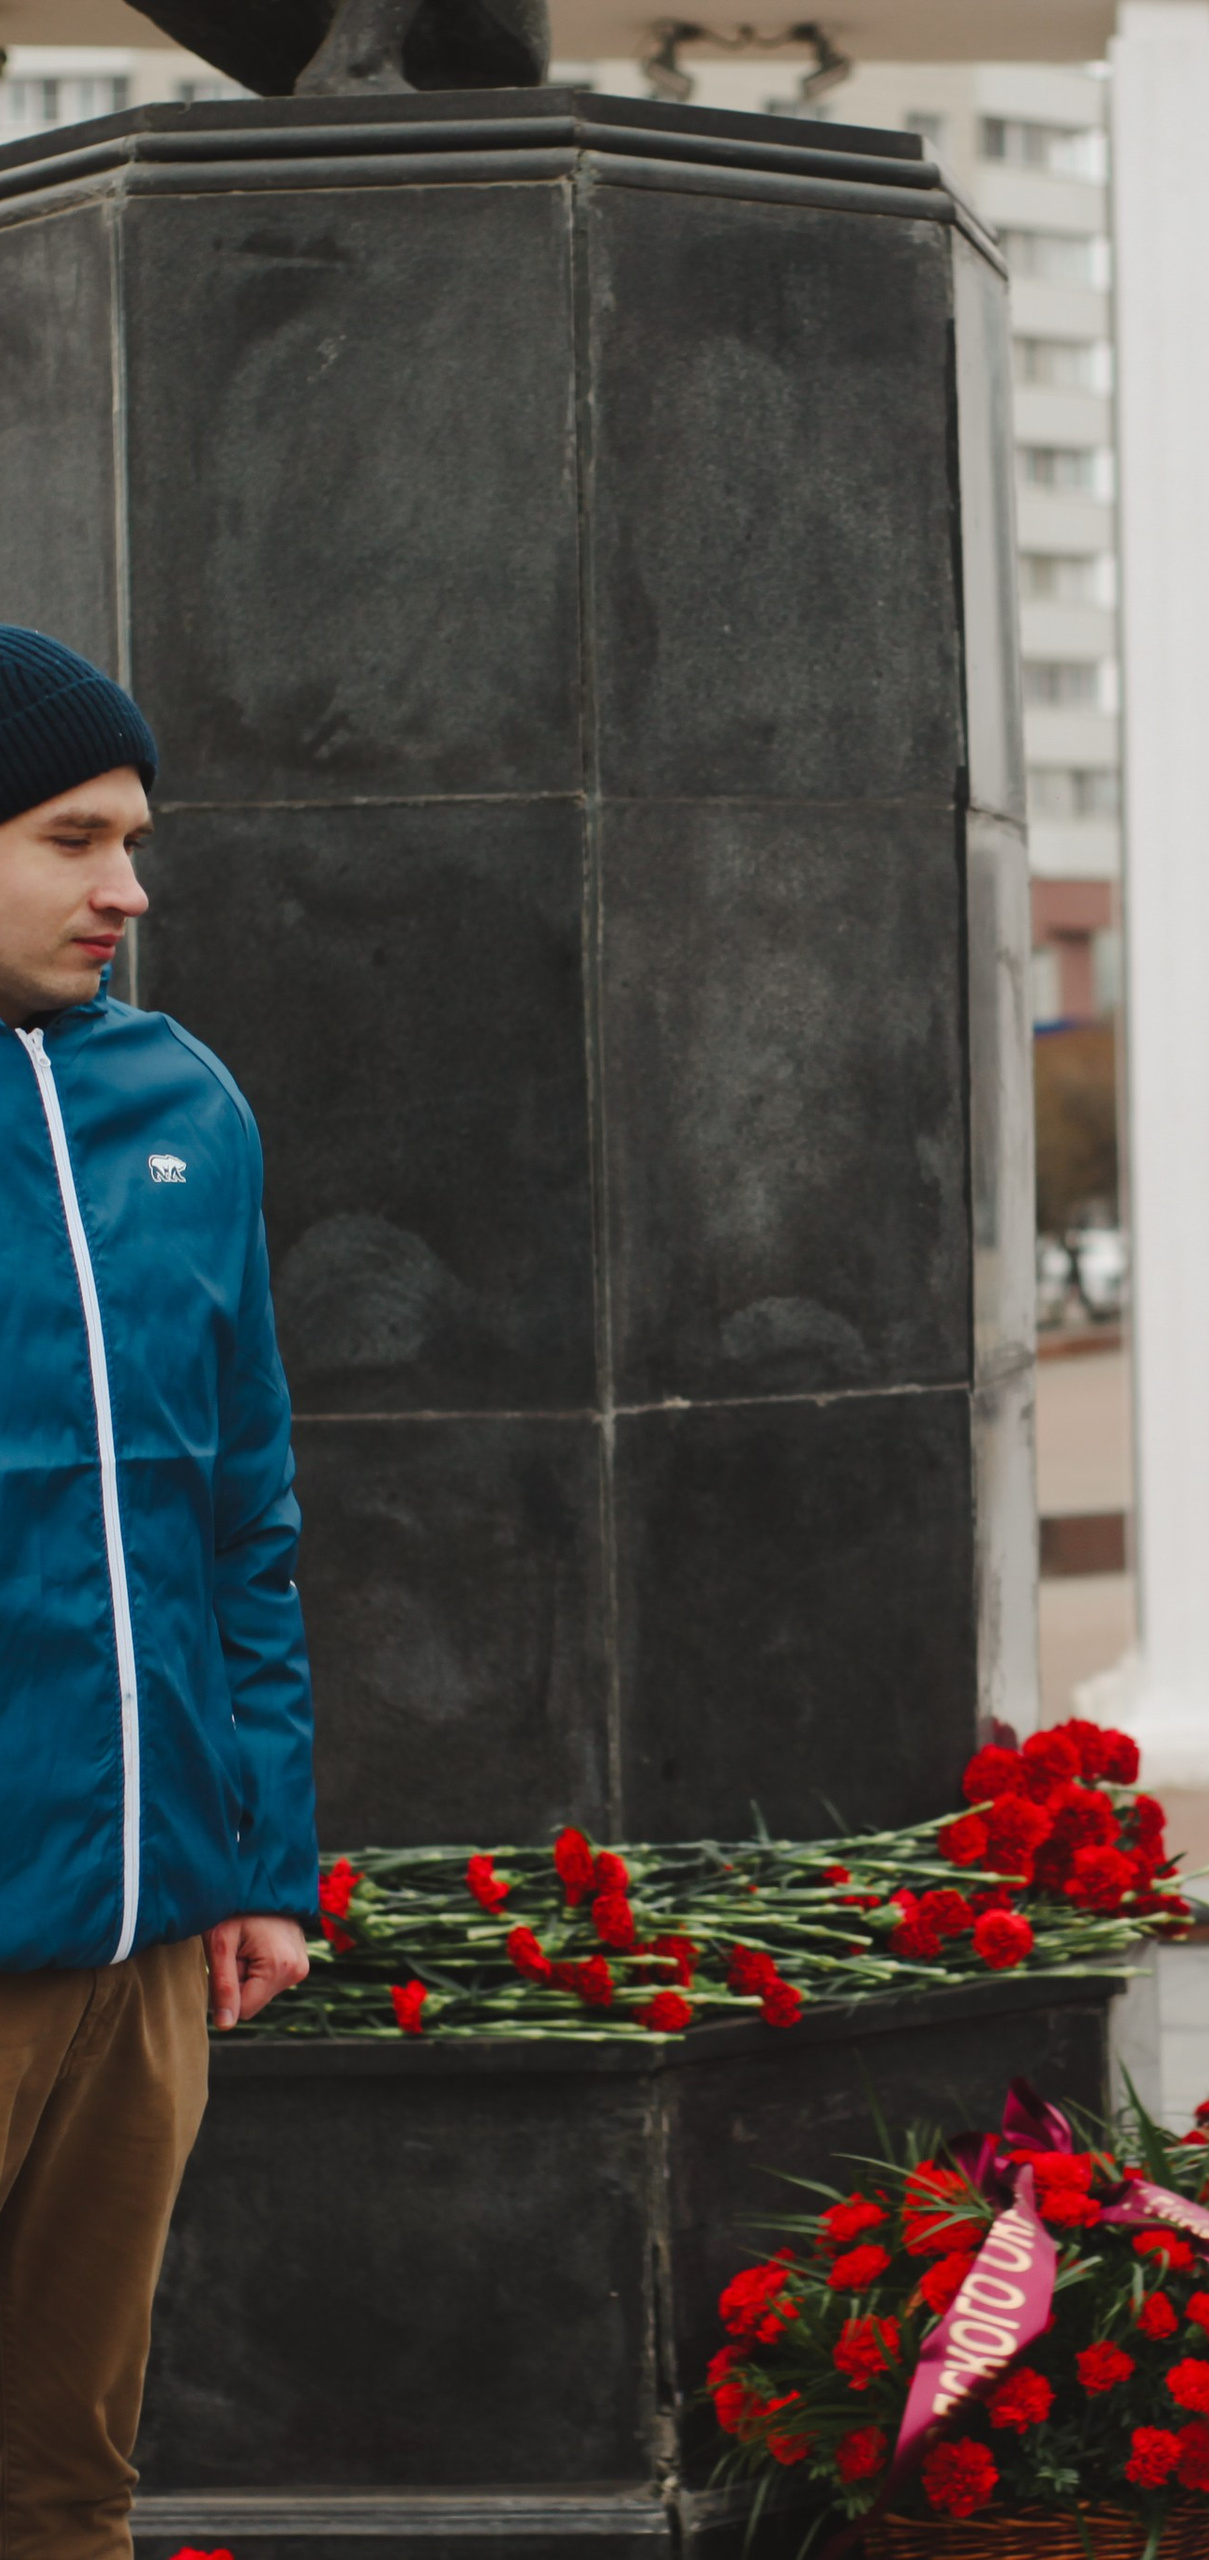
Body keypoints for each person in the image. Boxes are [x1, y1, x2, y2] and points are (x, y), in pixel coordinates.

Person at [0, 628, 318, 2557]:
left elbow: (246, 1522)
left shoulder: (181, 1106)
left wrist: (258, 1852)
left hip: (141, 1951)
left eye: (134, 840)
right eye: (72, 837)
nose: (131, 887)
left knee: (67, 2490)